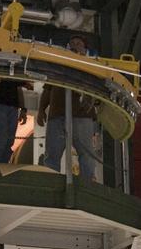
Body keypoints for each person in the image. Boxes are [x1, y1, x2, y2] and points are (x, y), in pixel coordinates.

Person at [38, 34, 101, 181]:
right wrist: (41, 110)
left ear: (85, 49)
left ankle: (87, 185)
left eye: (79, 43)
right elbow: (47, 89)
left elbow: (99, 89)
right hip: (57, 116)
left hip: (82, 116)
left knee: (86, 154)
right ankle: (50, 182)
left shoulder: (92, 67)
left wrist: (91, 98)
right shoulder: (58, 65)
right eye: (71, 43)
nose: (74, 46)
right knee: (52, 154)